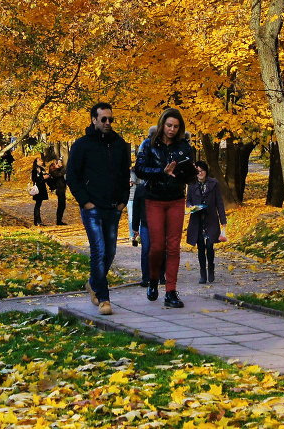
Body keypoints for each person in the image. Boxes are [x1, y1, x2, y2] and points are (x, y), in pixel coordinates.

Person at [66, 103, 131, 316]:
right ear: (93, 119)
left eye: (110, 119)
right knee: (99, 250)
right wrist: (85, 201)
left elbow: (124, 175)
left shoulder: (120, 144)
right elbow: (72, 177)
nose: (108, 123)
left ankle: (93, 282)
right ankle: (104, 299)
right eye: (103, 119)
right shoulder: (82, 145)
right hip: (92, 207)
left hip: (113, 207)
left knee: (110, 251)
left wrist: (123, 201)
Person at [134, 107, 197, 309]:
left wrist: (189, 173)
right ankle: (153, 280)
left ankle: (171, 291)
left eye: (176, 127)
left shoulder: (185, 147)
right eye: (169, 125)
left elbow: (190, 177)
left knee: (173, 247)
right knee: (157, 247)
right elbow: (140, 170)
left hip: (176, 199)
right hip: (154, 199)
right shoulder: (148, 144)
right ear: (162, 125)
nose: (172, 129)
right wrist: (162, 172)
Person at [186, 161, 227, 284]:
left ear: (206, 171)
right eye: (198, 171)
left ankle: (211, 269)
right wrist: (191, 207)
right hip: (197, 220)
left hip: (211, 219)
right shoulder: (192, 184)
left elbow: (219, 203)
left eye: (202, 170)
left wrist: (223, 220)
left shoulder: (213, 184)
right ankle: (202, 273)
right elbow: (188, 201)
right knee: (200, 247)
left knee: (209, 246)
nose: (200, 173)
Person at [43, 147, 68, 225]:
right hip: (59, 189)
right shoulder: (54, 172)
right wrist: (61, 167)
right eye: (56, 164)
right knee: (61, 205)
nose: (58, 164)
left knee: (62, 205)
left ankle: (59, 220)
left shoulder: (57, 170)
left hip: (62, 189)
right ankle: (58, 221)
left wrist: (61, 166)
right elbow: (60, 174)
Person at [29, 152, 49, 226]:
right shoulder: (34, 170)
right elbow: (34, 179)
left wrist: (47, 177)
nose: (41, 161)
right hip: (37, 188)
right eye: (39, 160)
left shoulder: (42, 169)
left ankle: (38, 221)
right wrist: (42, 177)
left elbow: (45, 178)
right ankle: (37, 221)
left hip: (42, 188)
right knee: (37, 204)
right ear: (36, 162)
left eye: (41, 160)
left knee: (39, 204)